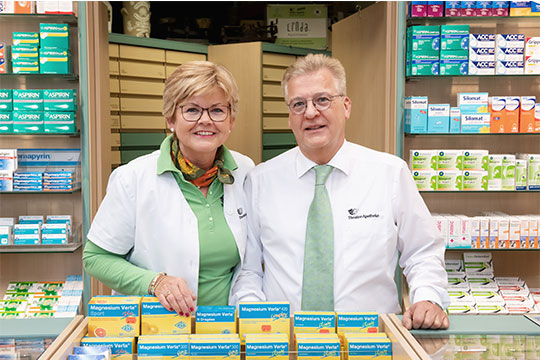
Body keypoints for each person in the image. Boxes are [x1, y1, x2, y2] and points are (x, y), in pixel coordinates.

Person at [231, 54, 449, 330]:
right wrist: (256, 319)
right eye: (298, 104)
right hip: (287, 342)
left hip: (370, 341)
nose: (310, 113)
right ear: (289, 117)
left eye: (322, 100)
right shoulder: (261, 180)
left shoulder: (389, 174)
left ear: (346, 106)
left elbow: (423, 251)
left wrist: (428, 298)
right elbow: (248, 271)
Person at [83, 61, 254, 317]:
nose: (205, 120)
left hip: (225, 332)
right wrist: (155, 282)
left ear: (231, 121)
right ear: (170, 118)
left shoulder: (244, 170)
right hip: (160, 332)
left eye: (217, 110)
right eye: (192, 110)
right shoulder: (133, 178)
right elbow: (95, 259)